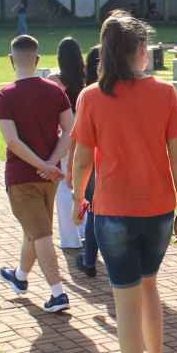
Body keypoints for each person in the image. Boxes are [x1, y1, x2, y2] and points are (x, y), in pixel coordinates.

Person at [70, 12, 177, 353]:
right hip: (158, 211)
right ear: (141, 50)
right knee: (149, 289)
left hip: (113, 213)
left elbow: (82, 161)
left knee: (125, 303)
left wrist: (75, 202)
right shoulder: (164, 94)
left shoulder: (90, 96)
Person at [0, 35, 74, 314]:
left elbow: (12, 142)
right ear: (38, 60)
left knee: (40, 233)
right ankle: (19, 276)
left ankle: (58, 294)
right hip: (49, 178)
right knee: (35, 229)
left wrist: (43, 164)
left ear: (11, 59)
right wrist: (51, 163)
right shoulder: (55, 91)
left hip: (21, 177)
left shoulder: (5, 95)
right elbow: (70, 130)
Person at [48, 37, 87, 249]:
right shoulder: (86, 76)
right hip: (86, 136)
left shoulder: (54, 78)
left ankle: (70, 238)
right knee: (83, 185)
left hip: (65, 135)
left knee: (64, 189)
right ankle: (82, 229)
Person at [75, 45, 101, 277]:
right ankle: (91, 259)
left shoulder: (88, 94)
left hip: (92, 160)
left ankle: (90, 260)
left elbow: (79, 140)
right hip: (103, 160)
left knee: (93, 208)